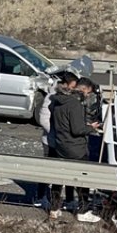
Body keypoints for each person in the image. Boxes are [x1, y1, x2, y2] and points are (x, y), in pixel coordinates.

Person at [51, 77, 102, 223]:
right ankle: (83, 210)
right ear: (82, 89)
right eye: (87, 93)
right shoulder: (75, 104)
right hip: (76, 148)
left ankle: (55, 208)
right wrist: (90, 127)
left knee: (58, 178)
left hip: (61, 145)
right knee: (82, 179)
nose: (87, 96)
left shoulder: (58, 101)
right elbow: (77, 129)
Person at [37, 73, 77, 213]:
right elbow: (43, 119)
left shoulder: (69, 98)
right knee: (49, 170)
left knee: (65, 171)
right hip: (51, 141)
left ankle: (68, 199)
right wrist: (57, 132)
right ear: (65, 84)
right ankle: (41, 196)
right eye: (71, 86)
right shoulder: (51, 97)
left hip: (62, 141)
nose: (73, 89)